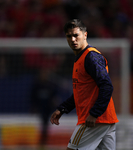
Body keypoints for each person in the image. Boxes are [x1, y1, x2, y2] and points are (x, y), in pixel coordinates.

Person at [50, 19, 119, 150]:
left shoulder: (91, 57)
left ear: (85, 35)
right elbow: (81, 92)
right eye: (69, 36)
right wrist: (63, 108)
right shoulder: (80, 59)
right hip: (105, 119)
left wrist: (94, 113)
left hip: (94, 120)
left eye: (76, 35)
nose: (73, 39)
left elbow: (107, 86)